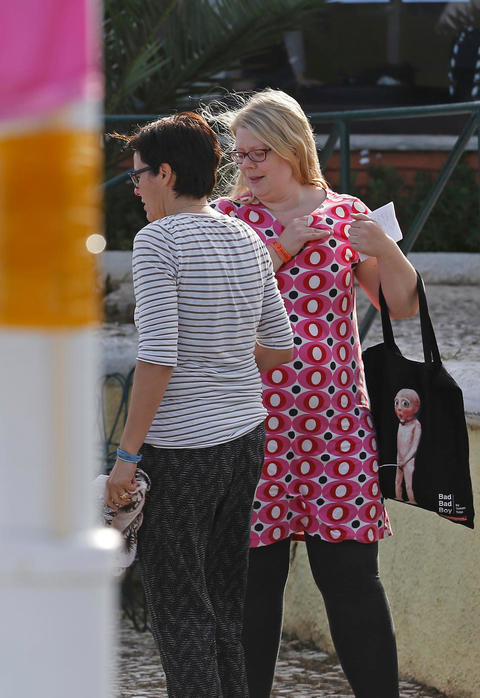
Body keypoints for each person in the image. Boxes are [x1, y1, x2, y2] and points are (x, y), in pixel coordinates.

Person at [210, 89, 419, 698]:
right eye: (241, 153)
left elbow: (399, 306)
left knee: (351, 574)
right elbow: (217, 311)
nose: (248, 165)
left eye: (261, 152)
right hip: (252, 422)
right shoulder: (227, 220)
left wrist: (384, 249)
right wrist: (283, 248)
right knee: (253, 580)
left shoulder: (346, 212)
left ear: (294, 147)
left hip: (333, 421)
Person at [105, 111, 294, 698]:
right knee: (223, 603)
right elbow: (281, 345)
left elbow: (158, 358)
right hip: (246, 439)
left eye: (137, 177)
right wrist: (225, 373)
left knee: (180, 609)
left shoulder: (158, 240)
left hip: (183, 448)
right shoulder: (246, 236)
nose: (134, 190)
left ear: (164, 173)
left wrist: (126, 456)